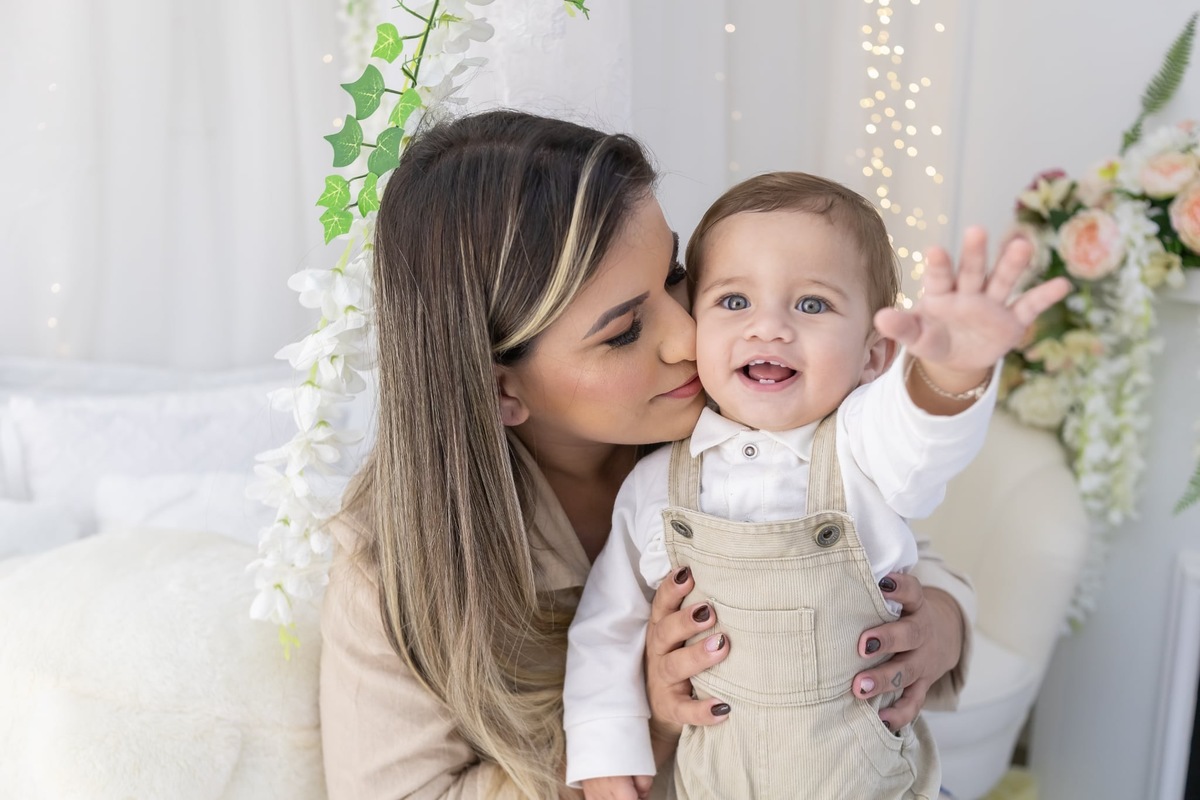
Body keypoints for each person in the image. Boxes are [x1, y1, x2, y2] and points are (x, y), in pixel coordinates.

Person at [317, 110, 997, 799]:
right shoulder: (387, 574)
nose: (687, 335)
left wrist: (940, 625)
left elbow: (886, 527)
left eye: (673, 274)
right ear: (500, 390)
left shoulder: (734, 407)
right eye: (624, 330)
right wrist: (647, 726)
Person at [562, 172, 1070, 800]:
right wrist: (606, 752)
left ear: (873, 356)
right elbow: (609, 624)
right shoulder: (655, 483)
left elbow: (921, 438)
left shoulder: (864, 446)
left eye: (811, 305)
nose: (769, 328)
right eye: (734, 301)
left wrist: (953, 372)